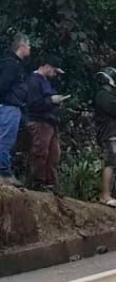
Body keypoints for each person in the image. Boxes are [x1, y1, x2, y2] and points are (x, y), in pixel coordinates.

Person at [19, 59, 68, 191]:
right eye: (54, 71)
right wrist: (51, 100)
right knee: (40, 152)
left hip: (50, 122)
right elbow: (33, 104)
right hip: (39, 121)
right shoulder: (33, 81)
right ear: (47, 66)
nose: (55, 74)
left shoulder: (46, 82)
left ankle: (50, 183)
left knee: (54, 154)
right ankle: (38, 182)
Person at [93, 67, 116, 206]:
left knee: (114, 165)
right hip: (109, 134)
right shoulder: (103, 96)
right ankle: (105, 195)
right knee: (110, 164)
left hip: (114, 134)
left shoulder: (109, 95)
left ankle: (109, 195)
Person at [0, 33, 31, 187]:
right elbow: (3, 85)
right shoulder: (12, 65)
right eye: (28, 45)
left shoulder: (10, 63)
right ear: (22, 46)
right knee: (5, 140)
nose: (30, 48)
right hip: (9, 107)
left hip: (10, 107)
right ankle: (4, 174)